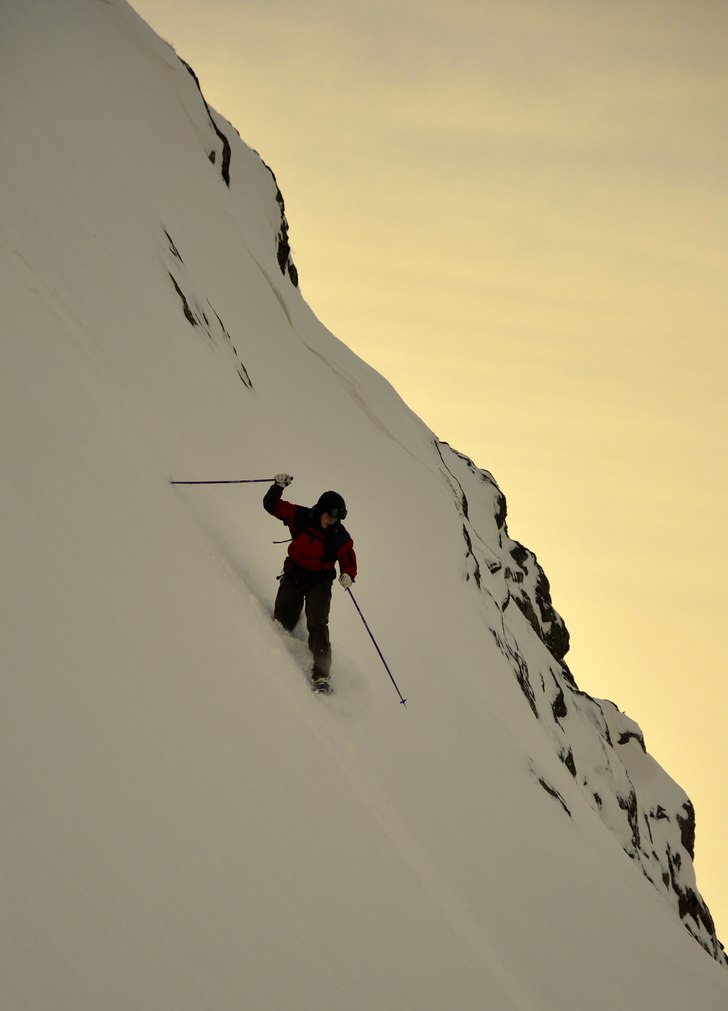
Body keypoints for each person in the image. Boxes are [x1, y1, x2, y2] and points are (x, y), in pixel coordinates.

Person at [264, 473, 357, 691]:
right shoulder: (301, 517)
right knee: (282, 621)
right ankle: (293, 617)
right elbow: (271, 506)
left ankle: (321, 674)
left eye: (339, 517)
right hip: (295, 574)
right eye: (332, 514)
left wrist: (349, 574)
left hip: (319, 582)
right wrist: (277, 487)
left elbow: (348, 557)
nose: (334, 520)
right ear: (322, 509)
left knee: (318, 623)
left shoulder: (339, 536)